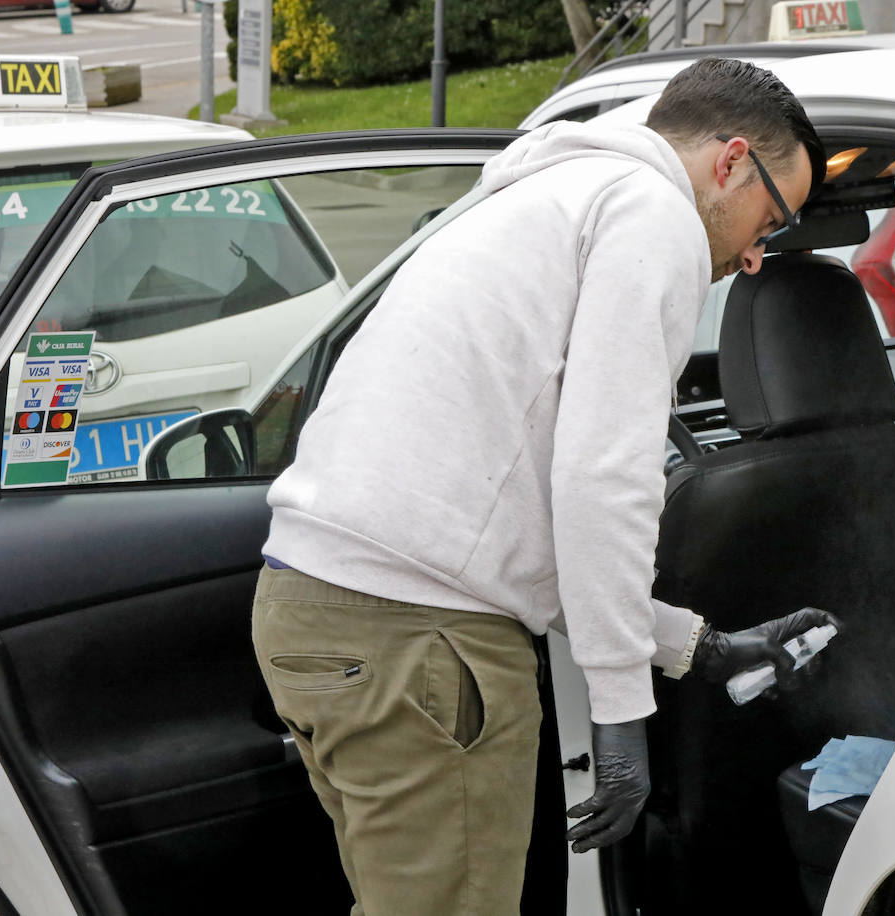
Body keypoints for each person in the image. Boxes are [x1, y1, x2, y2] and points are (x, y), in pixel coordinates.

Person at [250, 57, 835, 916]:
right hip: (420, 642)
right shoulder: (653, 216)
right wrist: (620, 714)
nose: (755, 256)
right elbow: (604, 480)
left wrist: (695, 649)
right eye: (773, 219)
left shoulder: (551, 196)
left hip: (318, 614)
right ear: (731, 162)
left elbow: (518, 522)